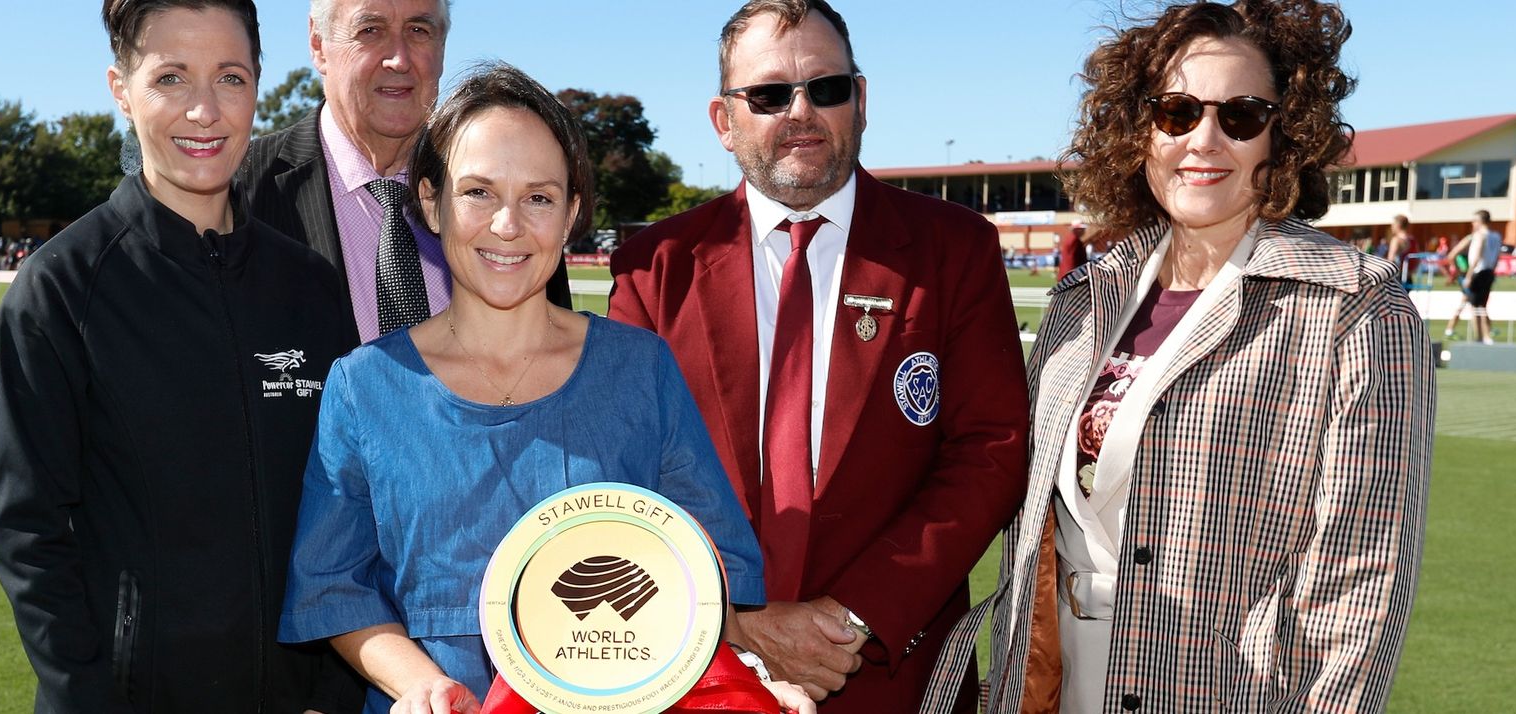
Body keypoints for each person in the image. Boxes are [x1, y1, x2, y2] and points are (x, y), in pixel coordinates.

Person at [278, 63, 812, 714]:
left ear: (571, 216)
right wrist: (421, 685)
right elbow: (333, 585)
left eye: (539, 197)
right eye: (478, 192)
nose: (508, 225)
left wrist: (745, 682)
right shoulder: (364, 387)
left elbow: (707, 569)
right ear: (429, 201)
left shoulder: (640, 371)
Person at [980, 2, 1435, 712]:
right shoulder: (1084, 298)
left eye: (1243, 115)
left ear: (1283, 136)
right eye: (1177, 112)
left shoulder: (1355, 307)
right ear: (1140, 132)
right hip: (1055, 682)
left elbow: (1361, 585)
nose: (1205, 138)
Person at [608, 2, 1030, 710]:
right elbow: (625, 478)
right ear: (723, 121)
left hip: (892, 672)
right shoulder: (654, 268)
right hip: (702, 673)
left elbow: (989, 451)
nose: (801, 111)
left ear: (860, 101)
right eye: (770, 95)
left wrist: (853, 617)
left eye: (826, 88)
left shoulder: (954, 248)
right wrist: (739, 623)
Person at [0, 1, 361, 712]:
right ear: (121, 89)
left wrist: (331, 694)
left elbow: (344, 505)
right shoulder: (62, 290)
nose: (205, 111)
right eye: (170, 79)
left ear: (257, 84)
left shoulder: (308, 285)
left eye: (229, 77)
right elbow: (29, 534)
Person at [236, 0, 569, 346]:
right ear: (318, 43)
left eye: (418, 30)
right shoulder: (240, 189)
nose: (399, 59)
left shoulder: (517, 196)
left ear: (442, 46)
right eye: (370, 31)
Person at [1444, 210, 1503, 344]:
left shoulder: (1479, 235)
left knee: (1475, 307)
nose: (1472, 223)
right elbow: (1496, 257)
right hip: (1488, 272)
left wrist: (1469, 275)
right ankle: (1485, 336)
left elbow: (1476, 256)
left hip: (1478, 272)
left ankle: (1480, 338)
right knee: (1481, 306)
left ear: (1480, 221)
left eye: (1474, 221)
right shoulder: (1496, 236)